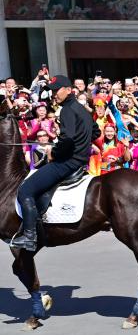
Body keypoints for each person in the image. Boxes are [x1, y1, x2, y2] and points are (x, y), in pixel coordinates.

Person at [12, 75, 97, 252]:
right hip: (81, 161)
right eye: (51, 91)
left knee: (25, 190)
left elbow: (68, 141)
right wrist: (81, 143)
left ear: (68, 89)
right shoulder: (81, 109)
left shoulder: (67, 110)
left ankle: (29, 235)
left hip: (67, 162)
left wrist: (54, 152)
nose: (53, 95)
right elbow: (95, 132)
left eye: (56, 90)